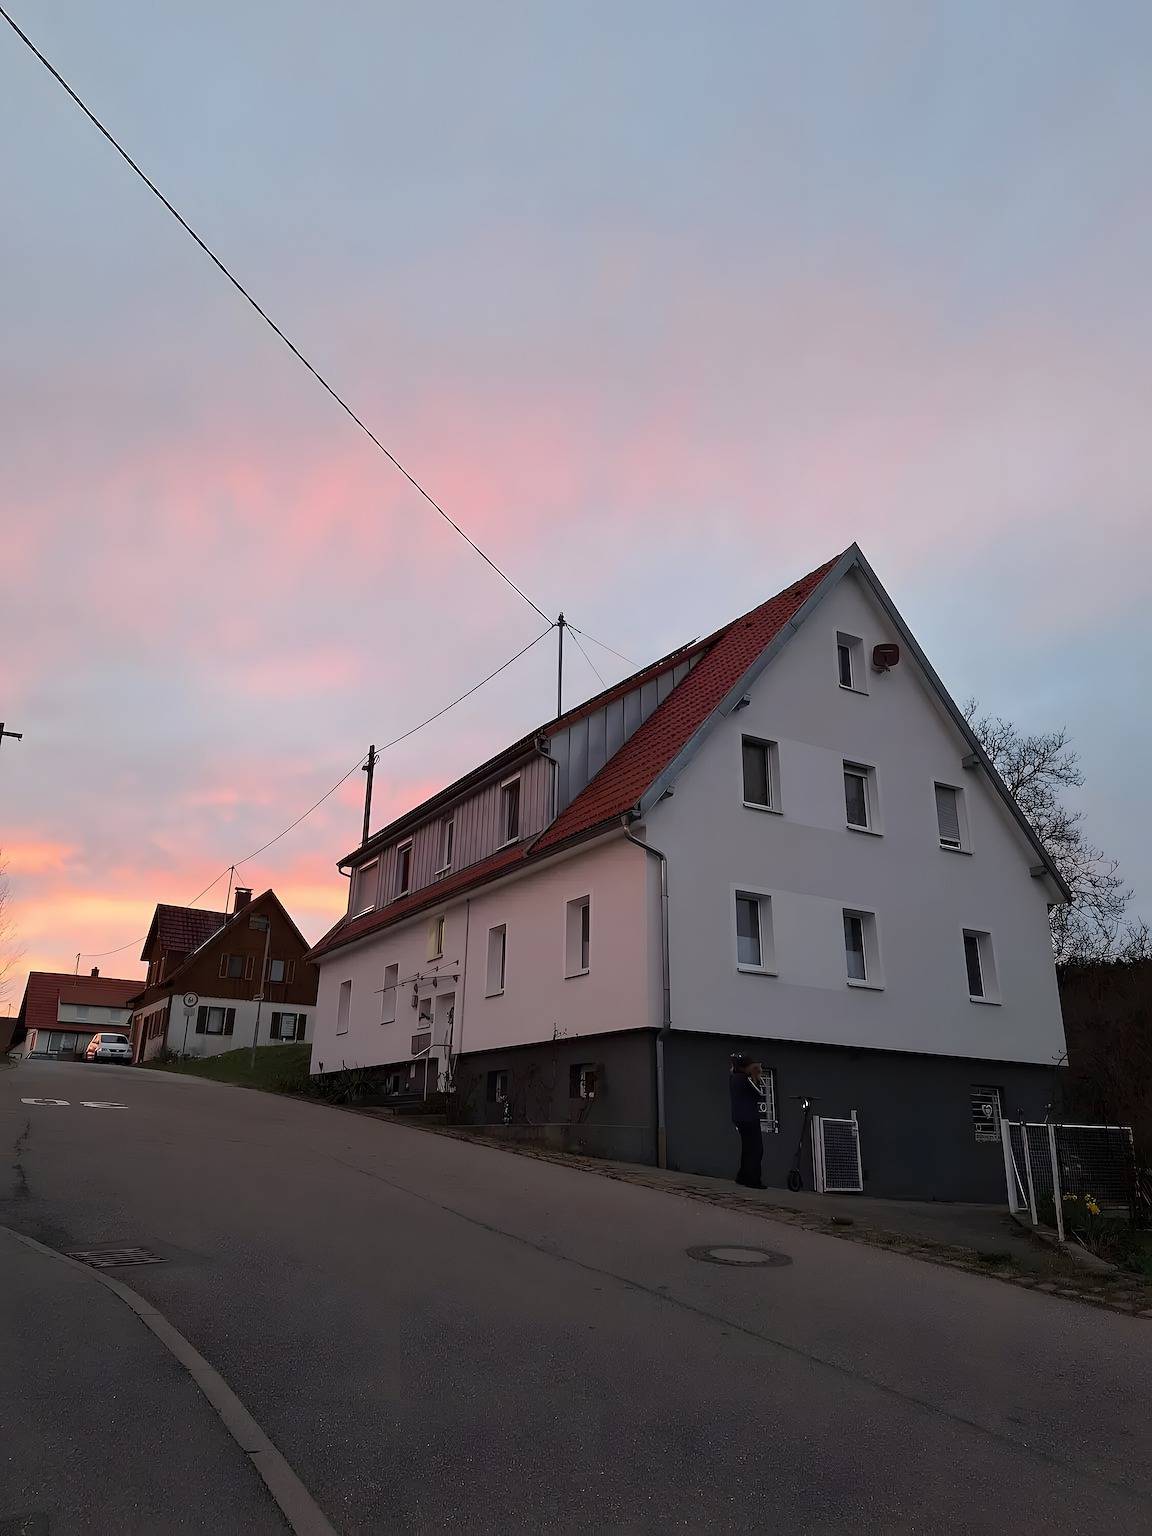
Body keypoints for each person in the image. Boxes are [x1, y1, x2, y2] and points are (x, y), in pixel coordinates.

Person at [730, 1054, 765, 1188]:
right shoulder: (745, 1079)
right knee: (756, 1149)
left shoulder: (734, 1077)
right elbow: (759, 1094)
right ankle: (753, 1179)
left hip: (740, 1117)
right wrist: (756, 1077)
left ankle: (743, 1176)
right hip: (749, 1118)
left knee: (747, 1147)